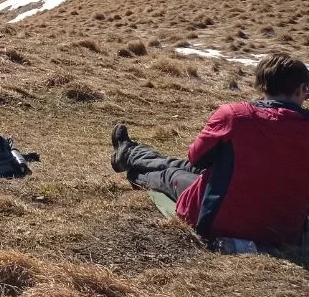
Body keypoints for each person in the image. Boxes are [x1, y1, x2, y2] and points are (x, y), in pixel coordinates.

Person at [111, 52, 309, 247]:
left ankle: (131, 164)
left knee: (169, 174)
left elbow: (197, 158)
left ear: (263, 84)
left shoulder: (235, 115)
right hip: (285, 230)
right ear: (301, 88)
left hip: (219, 220)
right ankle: (129, 152)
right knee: (182, 166)